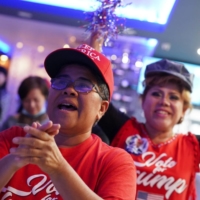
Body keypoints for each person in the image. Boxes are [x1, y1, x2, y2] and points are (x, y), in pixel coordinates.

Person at [0, 44, 136, 200]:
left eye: (84, 85)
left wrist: (58, 168)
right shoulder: (14, 140)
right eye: (61, 81)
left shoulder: (113, 162)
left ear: (102, 109)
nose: (68, 89)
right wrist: (13, 160)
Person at [97, 59, 199, 200]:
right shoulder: (123, 130)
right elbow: (97, 94)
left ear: (184, 109)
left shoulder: (192, 146)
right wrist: (94, 52)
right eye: (156, 94)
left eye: (174, 97)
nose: (164, 101)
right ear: (143, 100)